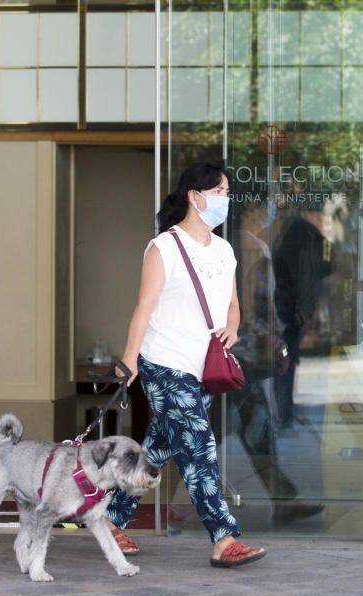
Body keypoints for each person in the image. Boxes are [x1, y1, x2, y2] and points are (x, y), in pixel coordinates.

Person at [107, 161, 266, 568]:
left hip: (203, 369)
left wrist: (233, 328)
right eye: (220, 193)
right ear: (196, 197)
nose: (226, 200)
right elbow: (144, 306)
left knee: (158, 450)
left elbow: (233, 305)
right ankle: (223, 537)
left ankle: (109, 519)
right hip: (164, 363)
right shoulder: (164, 247)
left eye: (227, 193)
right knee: (200, 448)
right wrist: (129, 359)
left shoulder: (225, 250)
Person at [232, 197, 324, 524]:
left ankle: (284, 499)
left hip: (230, 357)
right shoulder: (253, 251)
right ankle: (136, 506)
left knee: (253, 430)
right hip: (237, 358)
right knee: (189, 435)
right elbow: (254, 313)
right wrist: (273, 337)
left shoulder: (232, 247)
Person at [272, 195, 332, 430]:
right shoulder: (296, 231)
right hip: (292, 307)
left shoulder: (298, 232)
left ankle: (284, 415)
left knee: (284, 360)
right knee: (286, 360)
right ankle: (284, 413)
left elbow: (324, 262)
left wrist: (305, 305)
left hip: (290, 308)